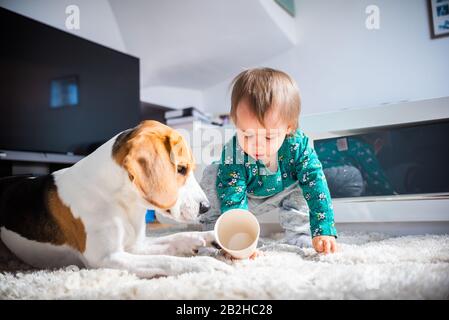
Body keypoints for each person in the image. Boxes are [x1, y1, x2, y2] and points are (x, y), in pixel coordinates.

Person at [199, 67, 338, 255]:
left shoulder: (298, 146)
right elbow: (232, 195)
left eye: (268, 138)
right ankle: (214, 229)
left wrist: (323, 229)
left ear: (289, 127)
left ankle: (300, 234)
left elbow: (316, 184)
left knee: (305, 182)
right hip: (245, 195)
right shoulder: (234, 152)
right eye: (247, 135)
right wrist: (240, 239)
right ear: (235, 122)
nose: (256, 146)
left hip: (283, 190)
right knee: (212, 173)